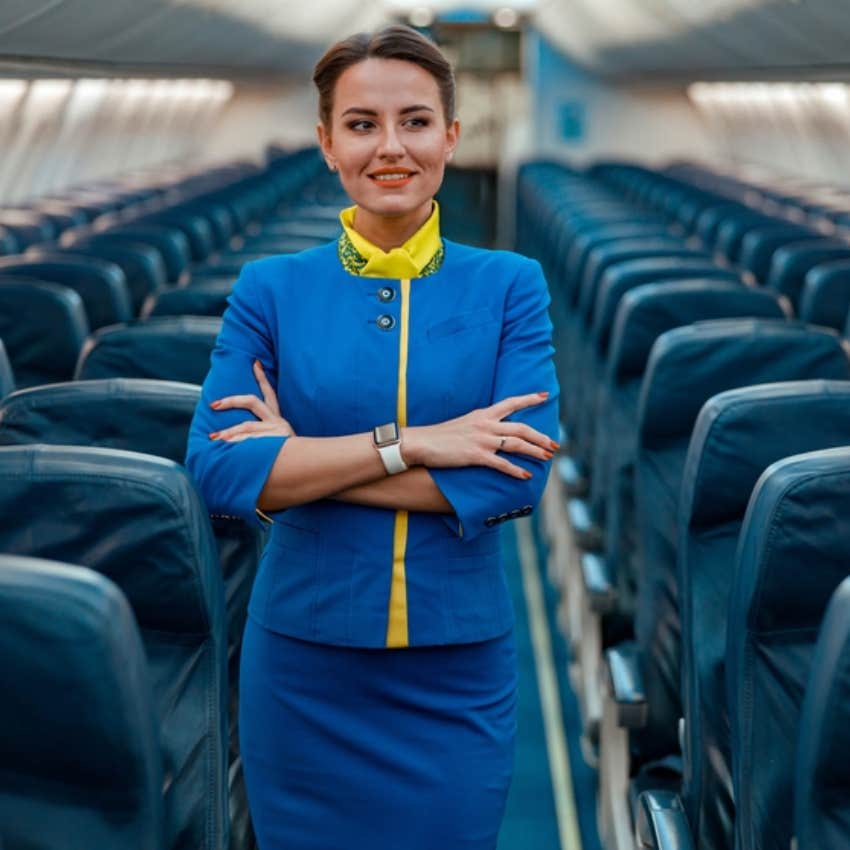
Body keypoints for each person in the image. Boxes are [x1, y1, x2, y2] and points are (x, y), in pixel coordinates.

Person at [185, 23, 559, 850]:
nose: (390, 147)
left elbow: (513, 479)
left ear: (451, 138)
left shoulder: (509, 286)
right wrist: (417, 444)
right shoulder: (270, 289)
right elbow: (215, 469)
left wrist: (297, 461)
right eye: (361, 124)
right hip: (302, 668)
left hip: (455, 669)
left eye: (416, 121)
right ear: (326, 143)